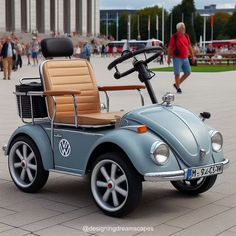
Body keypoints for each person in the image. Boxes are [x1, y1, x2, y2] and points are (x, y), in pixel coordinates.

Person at [167, 22, 196, 93]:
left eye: (184, 27)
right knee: (177, 73)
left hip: (185, 57)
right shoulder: (174, 37)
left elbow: (189, 46)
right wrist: (169, 58)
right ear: (178, 29)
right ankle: (178, 88)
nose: (184, 28)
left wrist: (193, 56)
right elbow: (170, 48)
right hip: (177, 58)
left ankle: (177, 84)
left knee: (188, 72)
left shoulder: (186, 36)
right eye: (182, 27)